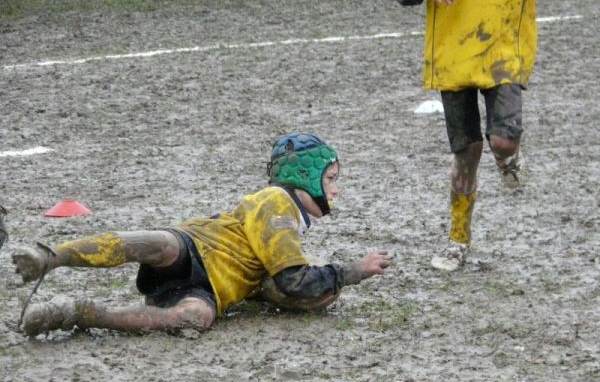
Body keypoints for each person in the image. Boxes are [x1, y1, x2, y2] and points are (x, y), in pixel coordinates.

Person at [11, 132, 392, 337]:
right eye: (331, 179)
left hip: (212, 288)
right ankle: (51, 256)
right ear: (306, 176)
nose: (336, 190)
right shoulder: (276, 202)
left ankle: (83, 314)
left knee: (193, 318)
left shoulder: (290, 222)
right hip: (196, 247)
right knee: (159, 243)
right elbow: (293, 281)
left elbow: (284, 281)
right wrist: (353, 271)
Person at [394, 0, 537, 271]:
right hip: (453, 54)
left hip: (505, 48)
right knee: (467, 152)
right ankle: (457, 240)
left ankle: (507, 155)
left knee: (503, 141)